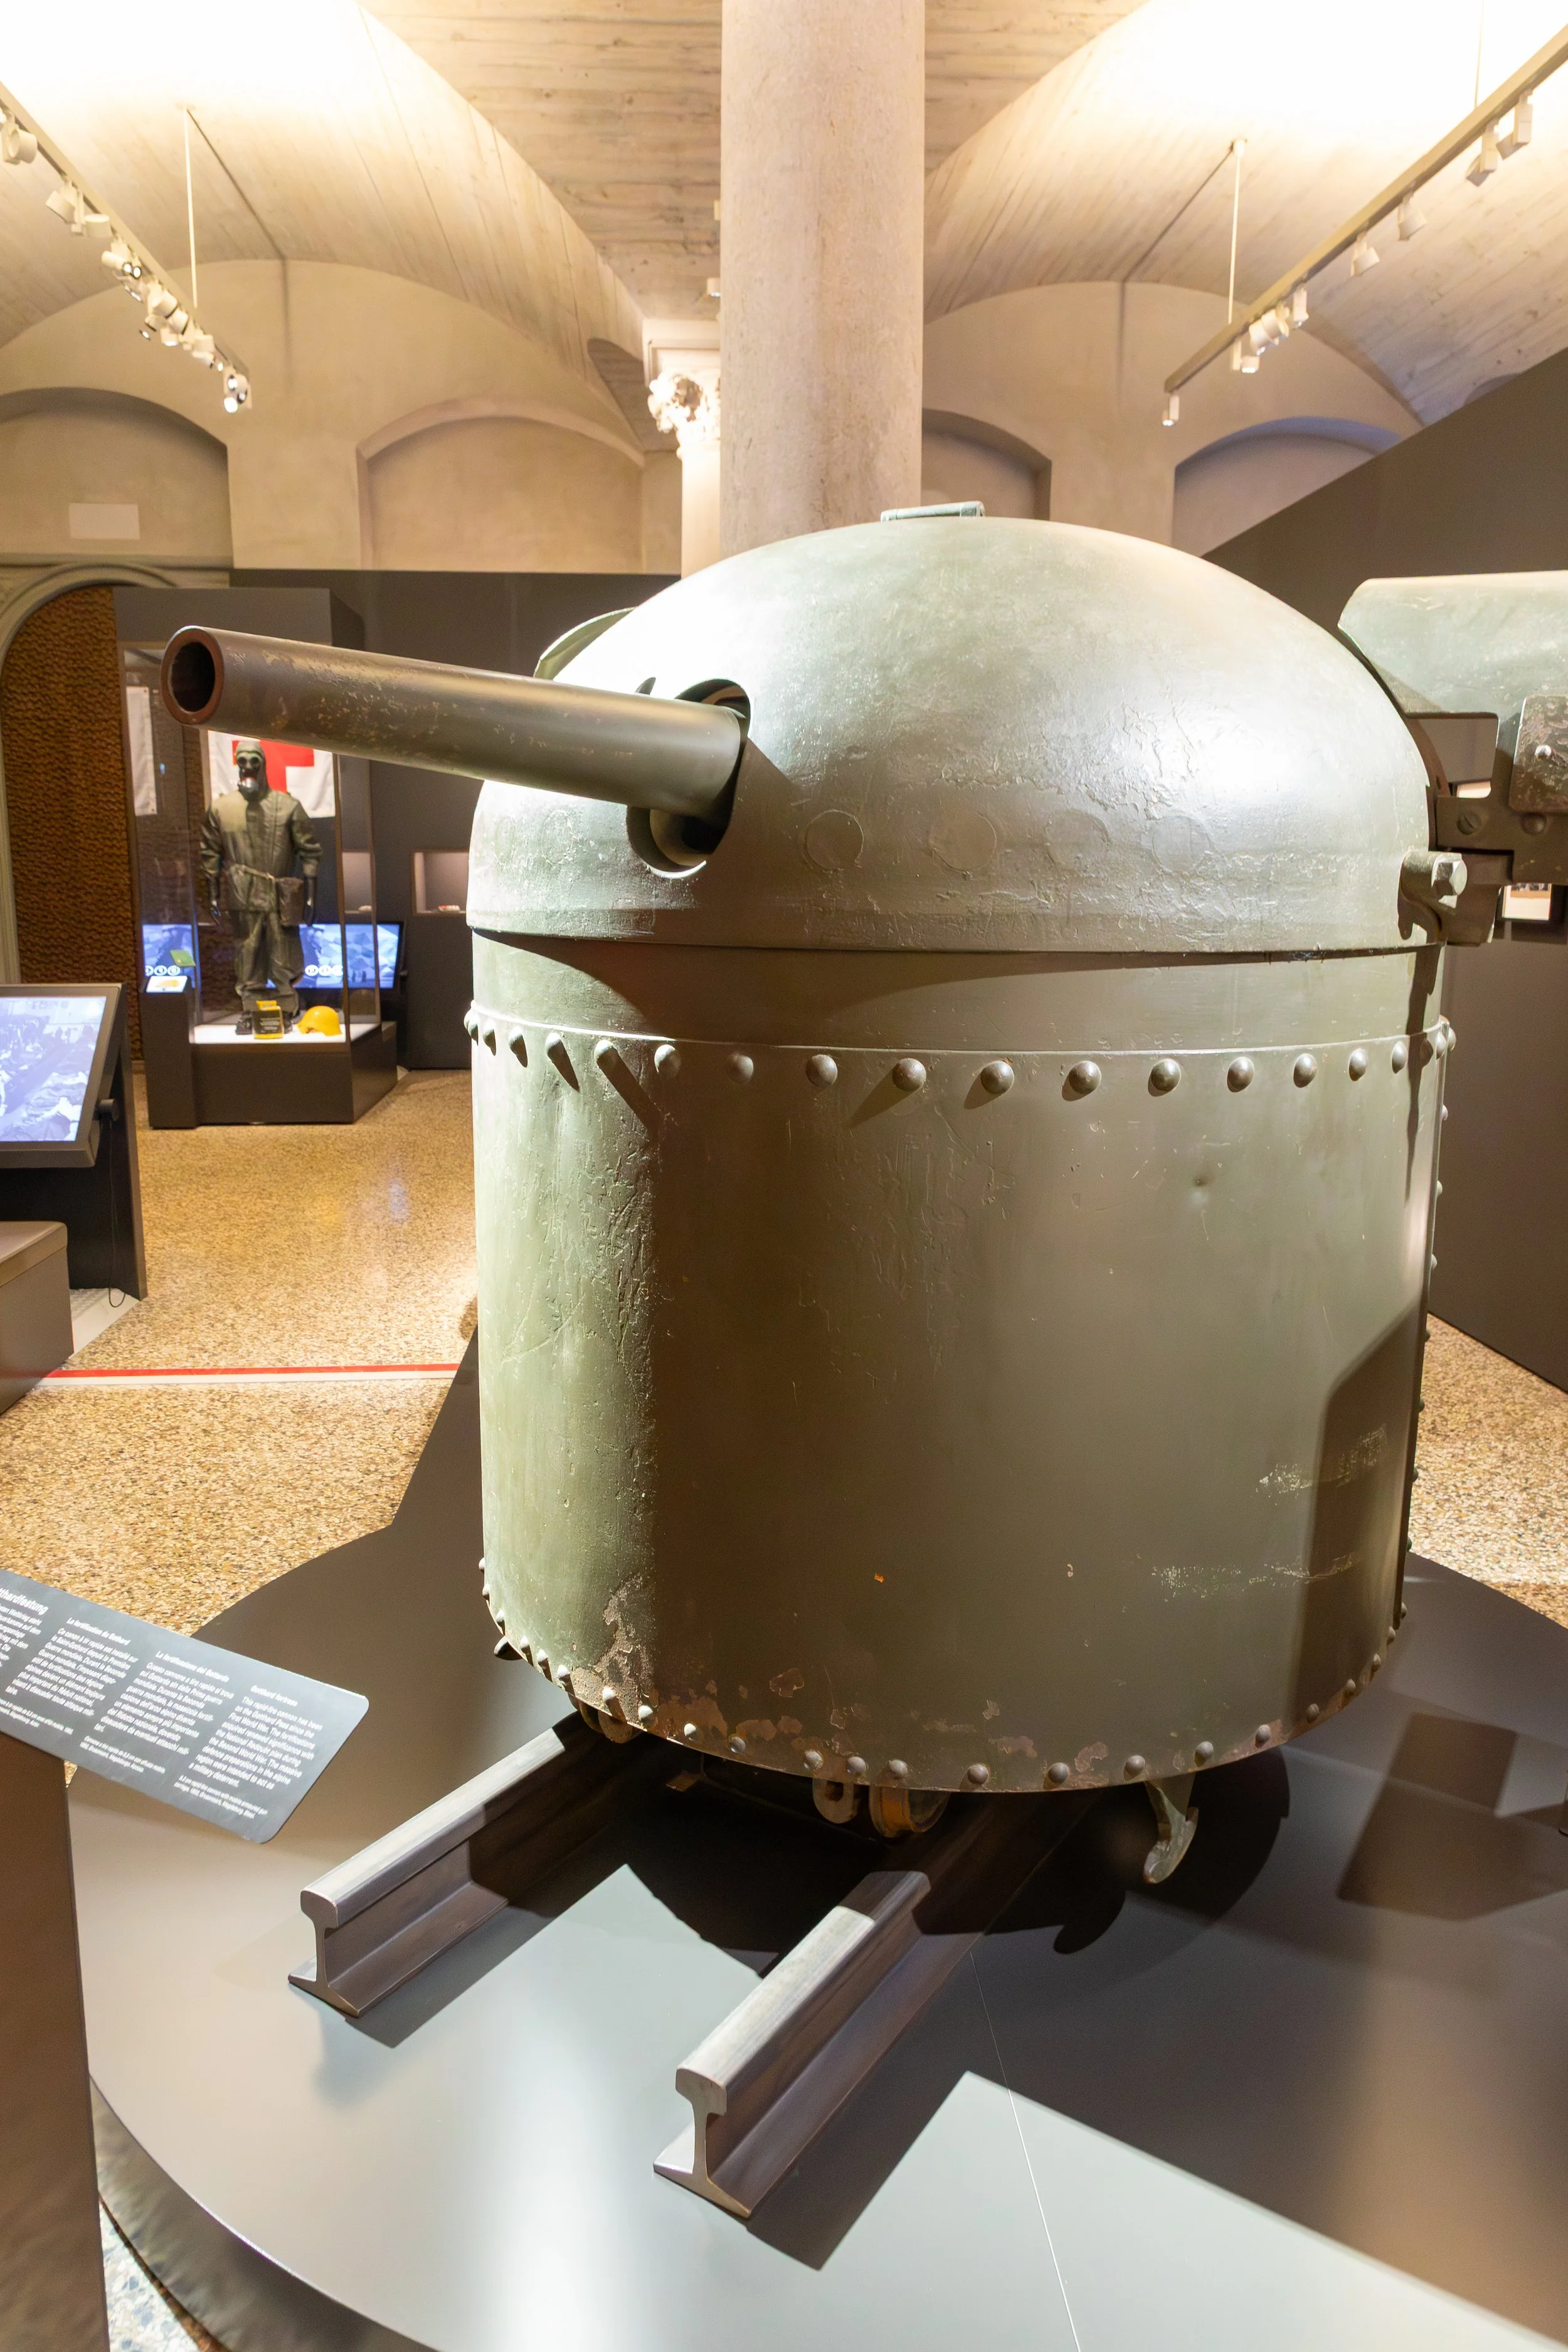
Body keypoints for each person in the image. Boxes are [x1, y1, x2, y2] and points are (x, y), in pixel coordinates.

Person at [199, 741, 321, 1033]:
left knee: (283, 951)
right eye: (242, 761)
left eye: (254, 761)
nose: (248, 767)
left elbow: (310, 852)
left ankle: (286, 1007)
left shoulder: (288, 806)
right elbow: (210, 853)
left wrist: (310, 896)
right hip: (242, 892)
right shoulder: (221, 808)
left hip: (280, 894)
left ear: (263, 764)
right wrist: (213, 894)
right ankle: (251, 1009)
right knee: (248, 951)